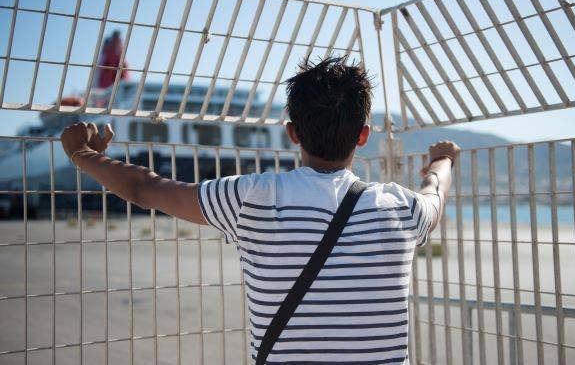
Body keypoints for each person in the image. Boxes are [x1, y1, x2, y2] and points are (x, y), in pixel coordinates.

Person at [60, 56, 459, 364]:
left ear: (292, 132)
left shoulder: (251, 197)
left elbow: (145, 188)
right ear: (364, 135)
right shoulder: (399, 208)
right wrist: (442, 160)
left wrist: (82, 155)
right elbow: (434, 197)